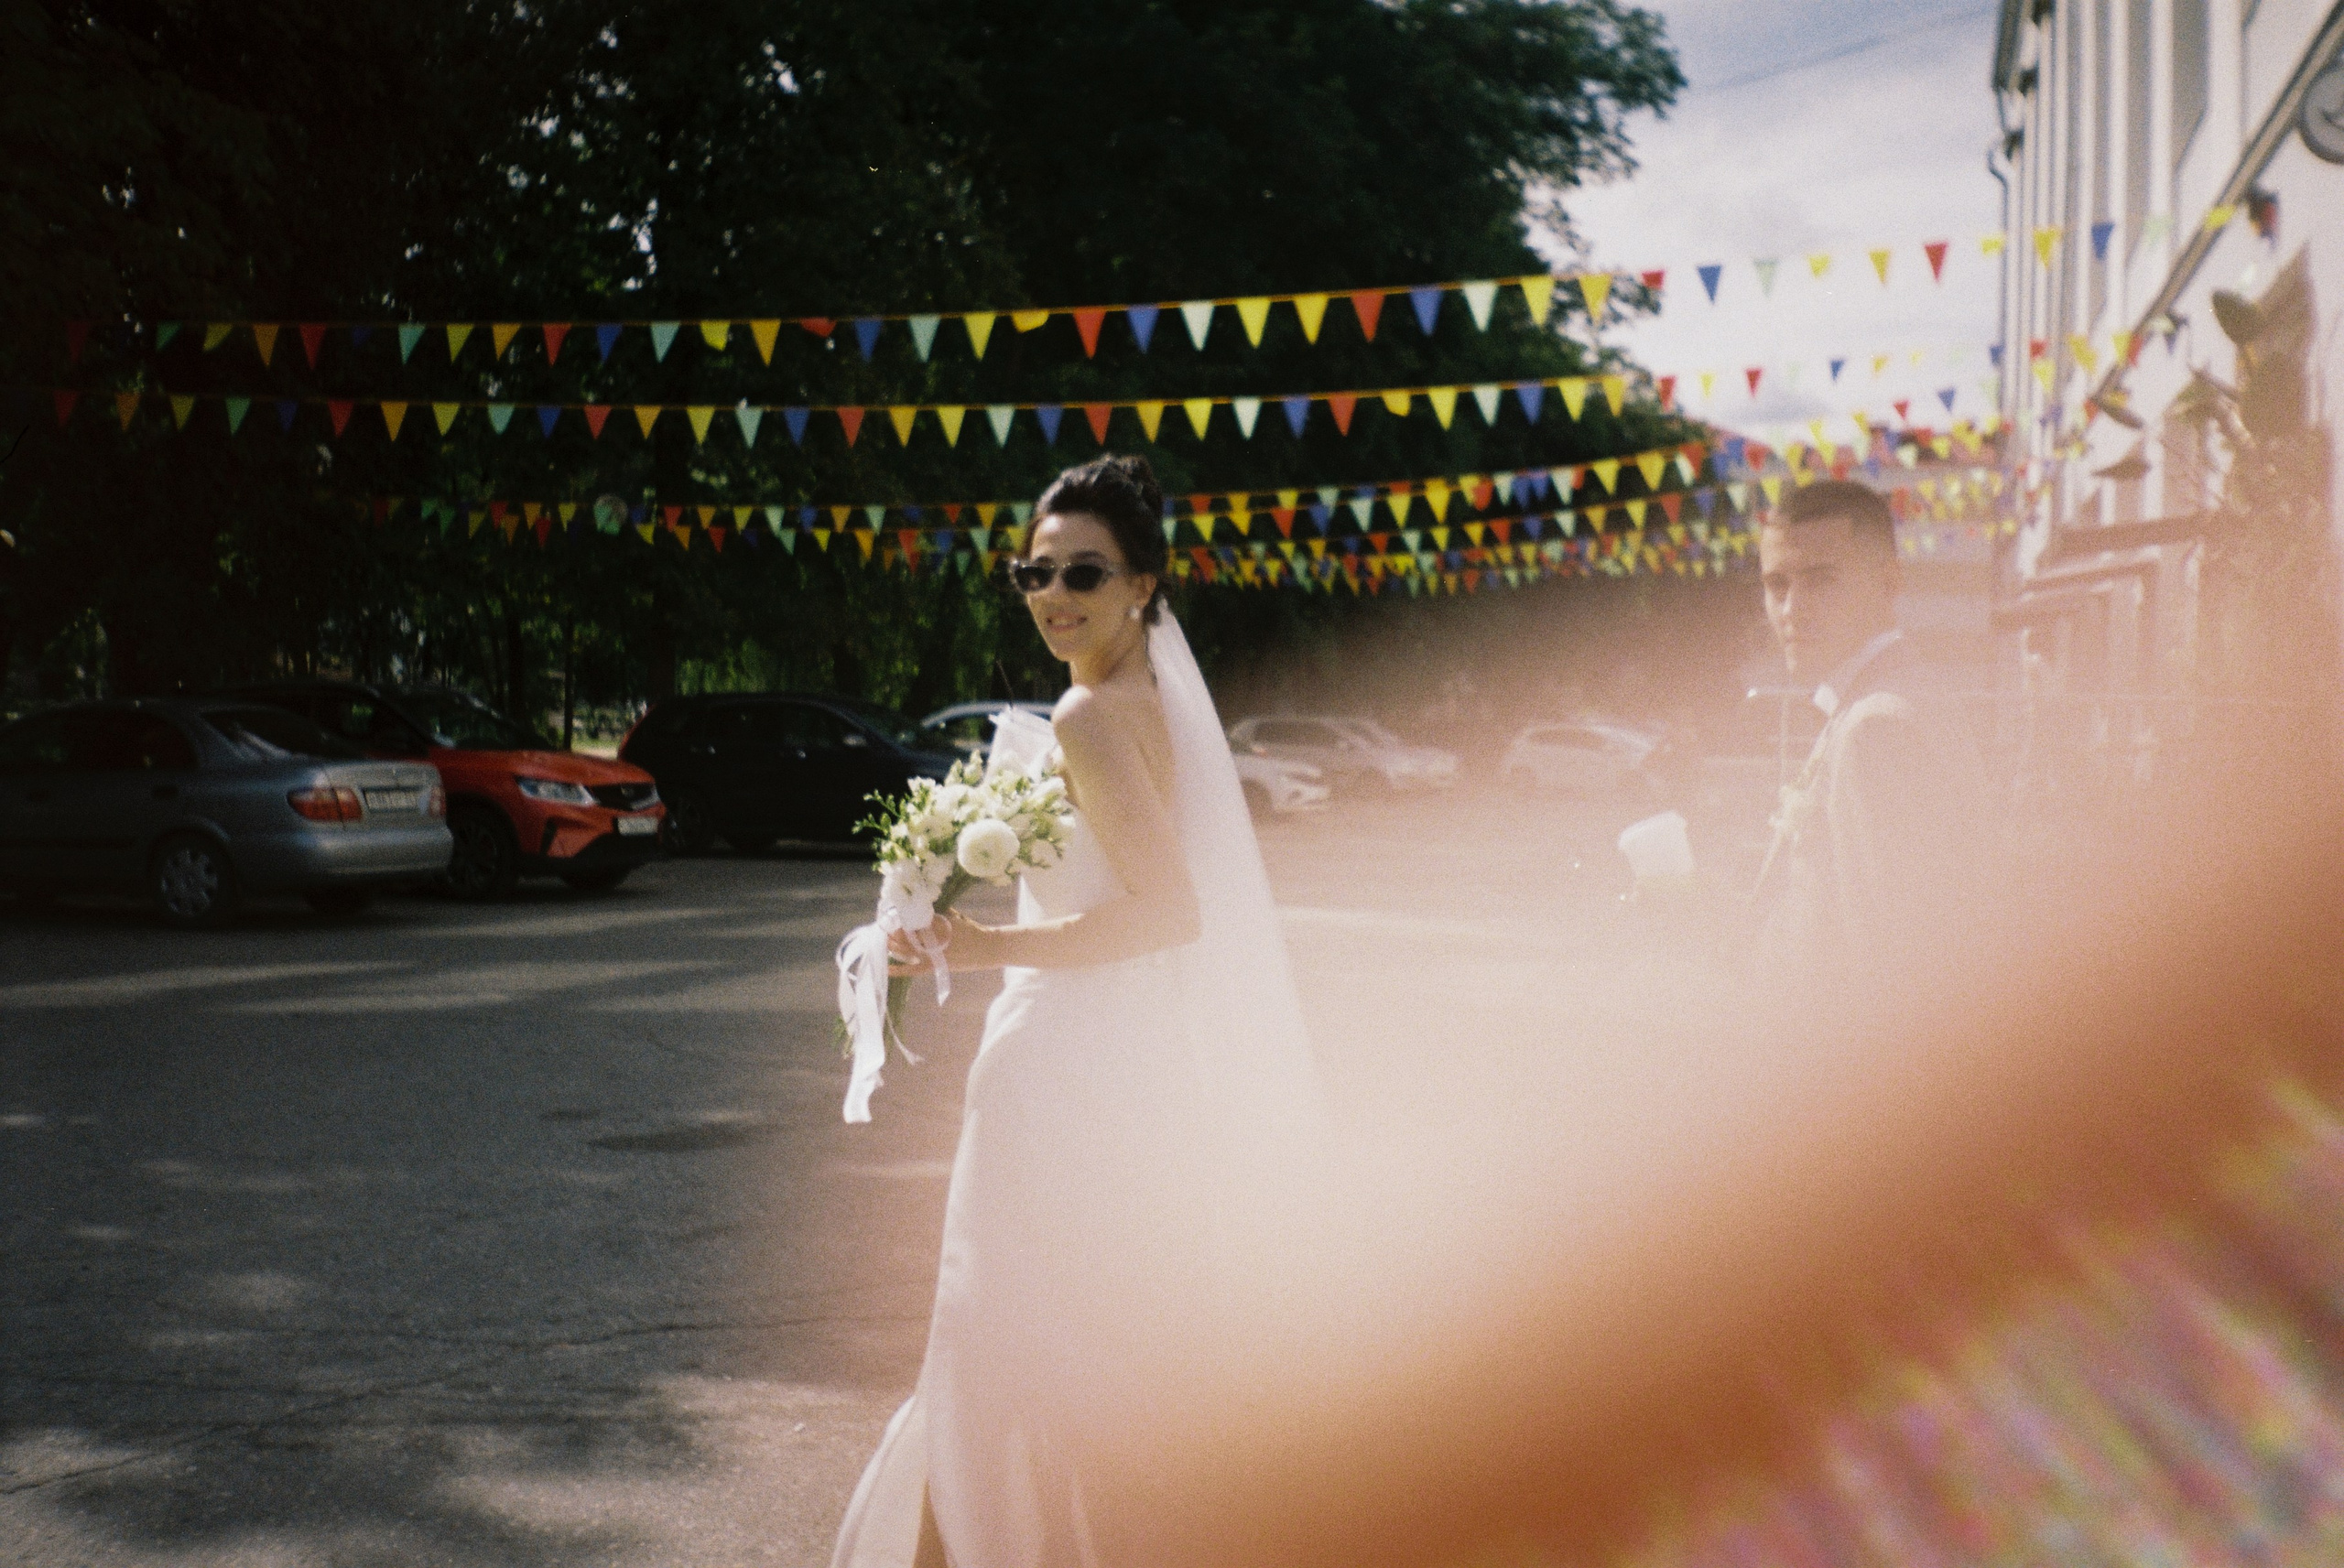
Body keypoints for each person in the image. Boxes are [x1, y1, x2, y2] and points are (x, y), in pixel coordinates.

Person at [830, 454, 1328, 1568]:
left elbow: (1166, 913)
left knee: (994, 1340)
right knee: (1072, 1341)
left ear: (1143, 585)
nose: (1053, 595)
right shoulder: (1144, 698)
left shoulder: (1091, 716)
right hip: (1129, 1059)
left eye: (1083, 574)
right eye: (1033, 573)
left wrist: (980, 938)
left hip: (1061, 1061)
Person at [1746, 479, 1980, 976]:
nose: (1791, 609)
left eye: (1821, 580)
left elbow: (1896, 967)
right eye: (1777, 584)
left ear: (1889, 583)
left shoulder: (1879, 726)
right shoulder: (1893, 692)